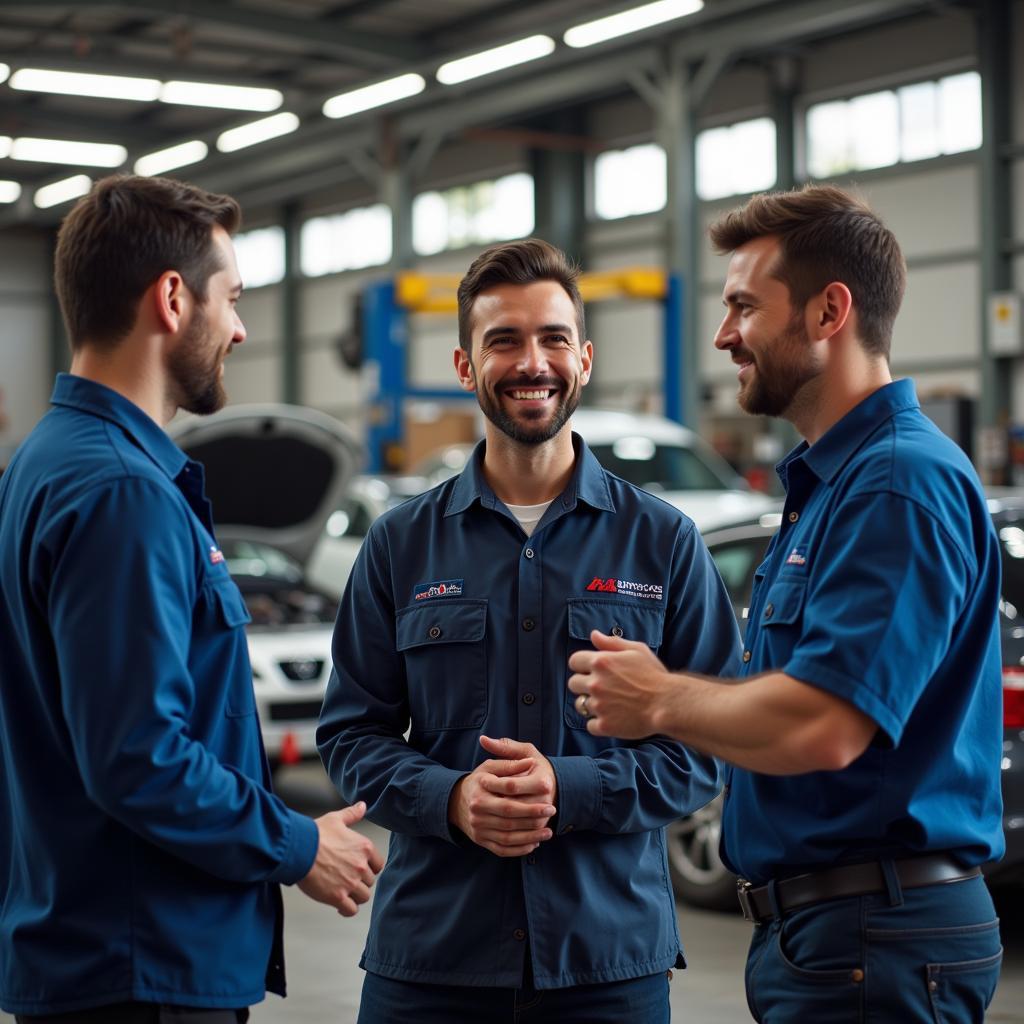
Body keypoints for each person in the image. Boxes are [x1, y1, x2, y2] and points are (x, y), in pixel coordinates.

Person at [567, 184, 1005, 1021]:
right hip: (838, 936)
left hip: (875, 940)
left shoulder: (896, 481)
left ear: (829, 311)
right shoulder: (834, 484)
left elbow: (825, 725)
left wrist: (659, 698)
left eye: (742, 306)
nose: (725, 335)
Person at [316, 238, 741, 1023]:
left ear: (583, 358)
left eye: (552, 339)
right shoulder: (401, 543)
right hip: (432, 965)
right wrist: (452, 800)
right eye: (502, 340)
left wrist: (572, 788)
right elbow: (349, 736)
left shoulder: (664, 543)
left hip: (605, 963)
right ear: (465, 366)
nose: (531, 361)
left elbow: (711, 745)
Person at [0, 174, 383, 1024]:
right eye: (233, 299)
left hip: (92, 947)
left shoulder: (44, 464)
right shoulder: (120, 492)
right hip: (142, 966)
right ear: (173, 298)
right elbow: (137, 756)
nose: (240, 327)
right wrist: (297, 845)